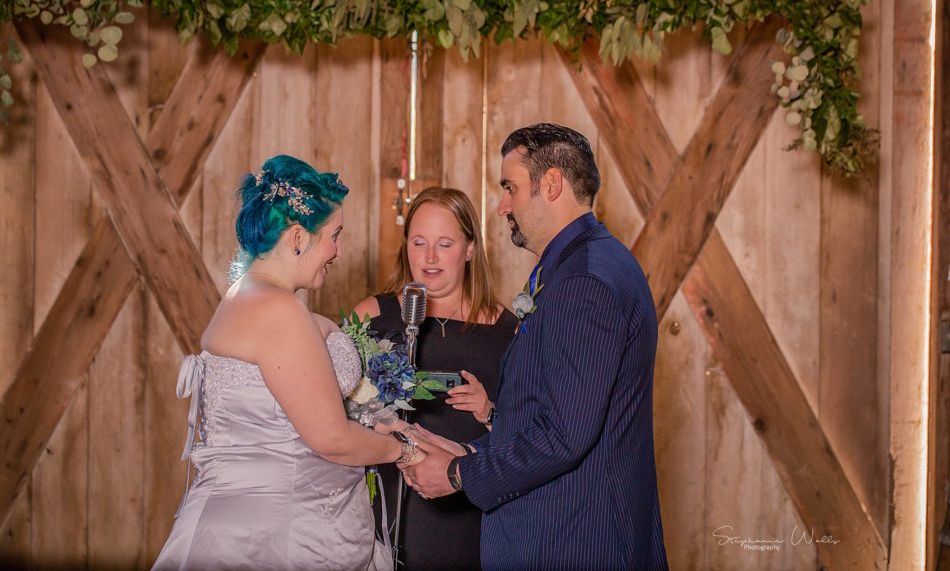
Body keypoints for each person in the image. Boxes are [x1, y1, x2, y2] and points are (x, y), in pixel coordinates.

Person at [403, 124, 669, 570]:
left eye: (510, 187)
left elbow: (564, 436)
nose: (503, 205)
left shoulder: (584, 280)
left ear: (550, 184)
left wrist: (457, 474)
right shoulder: (585, 264)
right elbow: (554, 413)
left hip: (572, 542)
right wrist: (470, 451)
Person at [152, 155, 423, 571]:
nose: (339, 251)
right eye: (335, 236)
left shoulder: (242, 295)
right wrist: (403, 452)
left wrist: (376, 420)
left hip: (251, 524)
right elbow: (330, 438)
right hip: (277, 538)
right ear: (298, 237)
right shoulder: (280, 311)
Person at [351, 187, 518, 570]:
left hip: (470, 519)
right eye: (418, 242)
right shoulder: (373, 315)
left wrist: (489, 411)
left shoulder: (507, 332)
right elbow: (327, 407)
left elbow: (531, 438)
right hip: (385, 509)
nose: (428, 258)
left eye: (444, 244)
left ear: (470, 249)